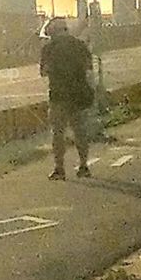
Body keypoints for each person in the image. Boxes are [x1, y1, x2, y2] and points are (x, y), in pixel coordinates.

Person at [40, 18, 95, 181]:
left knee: (58, 134)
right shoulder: (79, 45)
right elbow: (88, 68)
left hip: (58, 96)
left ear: (52, 32)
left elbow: (44, 71)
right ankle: (84, 165)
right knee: (80, 131)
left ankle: (59, 168)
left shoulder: (49, 48)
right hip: (79, 95)